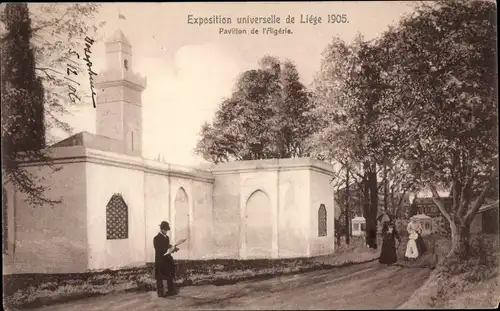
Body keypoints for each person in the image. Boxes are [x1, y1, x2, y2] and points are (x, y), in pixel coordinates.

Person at [153, 221, 179, 297]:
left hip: (167, 259)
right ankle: (160, 293)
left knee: (170, 275)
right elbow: (158, 249)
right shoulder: (156, 238)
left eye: (167, 230)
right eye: (165, 230)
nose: (166, 231)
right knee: (160, 277)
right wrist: (168, 249)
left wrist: (173, 248)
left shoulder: (167, 237)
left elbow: (167, 246)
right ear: (161, 229)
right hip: (160, 260)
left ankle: (171, 291)